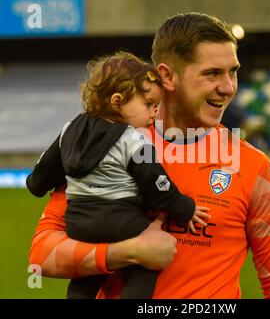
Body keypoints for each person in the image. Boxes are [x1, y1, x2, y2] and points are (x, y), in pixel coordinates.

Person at [29, 12, 270, 299]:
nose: (228, 87)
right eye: (212, 73)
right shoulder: (107, 144)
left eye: (232, 71)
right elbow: (42, 254)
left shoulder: (256, 169)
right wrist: (127, 253)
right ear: (168, 76)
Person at [26, 51, 209, 299]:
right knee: (145, 267)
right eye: (148, 105)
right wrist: (185, 208)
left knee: (85, 279)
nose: (154, 113)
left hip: (79, 225)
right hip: (120, 222)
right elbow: (156, 183)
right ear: (116, 101)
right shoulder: (132, 138)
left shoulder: (69, 130)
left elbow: (40, 177)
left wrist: (37, 185)